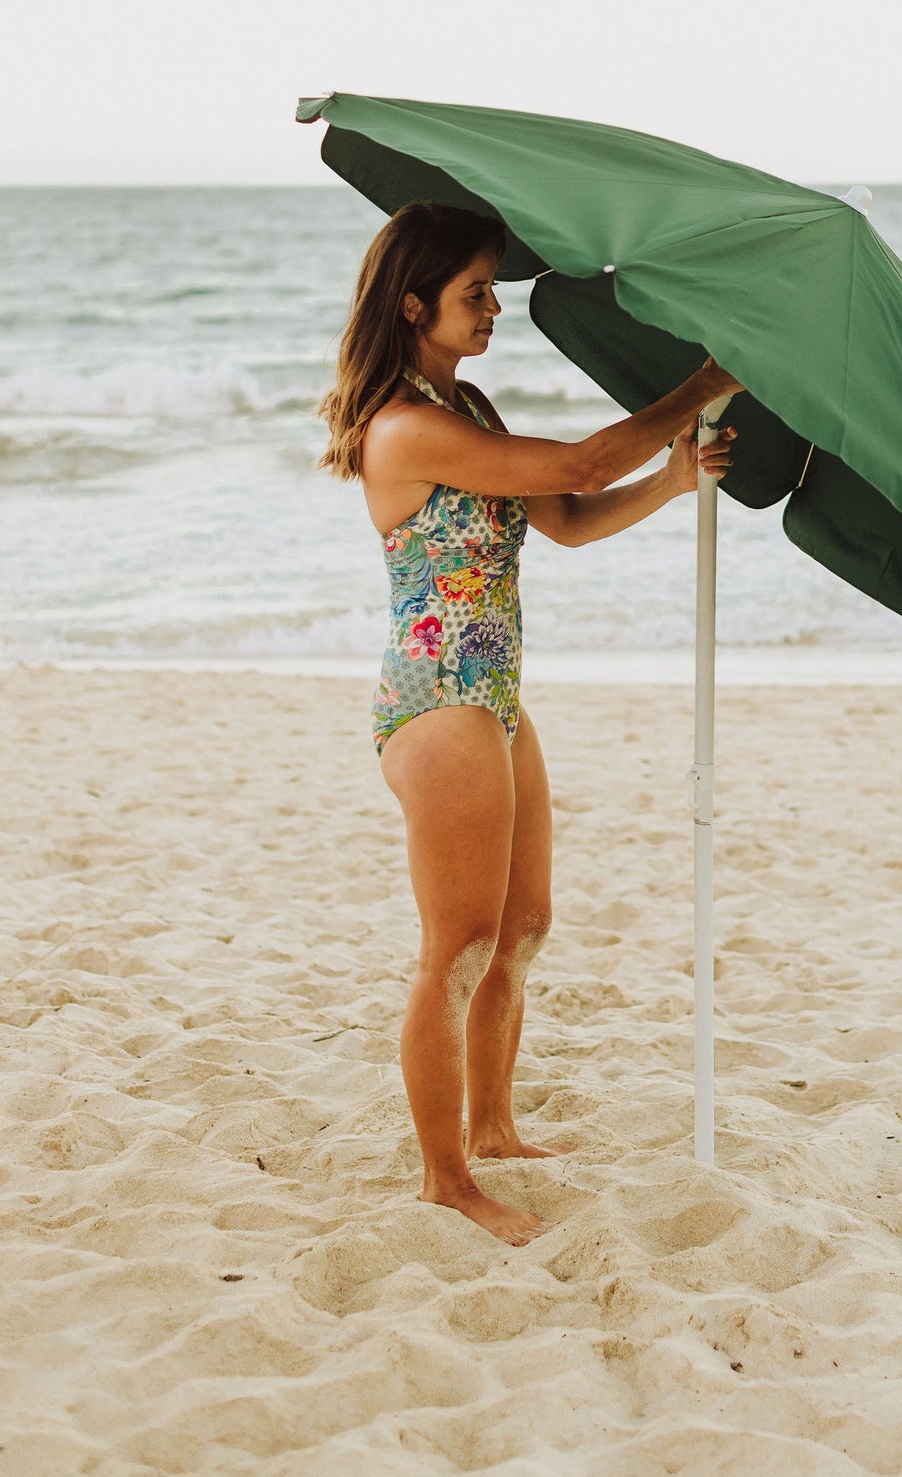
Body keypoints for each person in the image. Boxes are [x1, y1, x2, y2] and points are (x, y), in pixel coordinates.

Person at [319, 200, 739, 1245]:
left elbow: (570, 517)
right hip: (436, 700)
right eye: (475, 291)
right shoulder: (406, 428)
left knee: (521, 929)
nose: (493, 307)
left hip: (495, 694)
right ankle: (445, 1180)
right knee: (457, 947)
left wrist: (673, 477)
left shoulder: (467, 409)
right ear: (413, 304)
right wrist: (700, 383)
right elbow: (580, 464)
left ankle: (495, 1128)